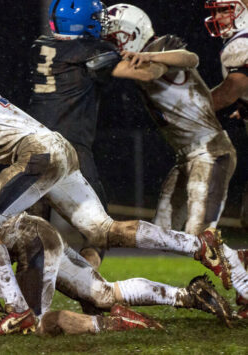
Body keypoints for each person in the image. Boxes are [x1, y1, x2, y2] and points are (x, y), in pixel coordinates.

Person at [0, 52, 246, 331]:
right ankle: (198, 245)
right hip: (57, 148)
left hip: (36, 154)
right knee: (103, 230)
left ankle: (17, 312)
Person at [0, 145, 233, 330]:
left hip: (31, 240)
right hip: (32, 242)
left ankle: (108, 324)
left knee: (35, 324)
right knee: (103, 293)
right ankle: (187, 296)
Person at [106, 2, 248, 320]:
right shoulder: (144, 55)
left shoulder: (161, 48)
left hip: (210, 153)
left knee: (201, 237)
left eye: (113, 39)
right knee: (164, 232)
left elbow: (184, 59)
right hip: (187, 158)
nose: (111, 46)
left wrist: (103, 65)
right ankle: (241, 259)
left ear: (128, 34)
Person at [28, 0, 120, 267]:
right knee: (99, 229)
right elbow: (143, 73)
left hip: (35, 145)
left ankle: (26, 297)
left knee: (32, 230)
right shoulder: (91, 50)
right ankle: (90, 287)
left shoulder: (40, 46)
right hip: (72, 148)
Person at [204, 0, 248, 318]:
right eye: (216, 10)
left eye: (225, 9)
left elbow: (233, 87)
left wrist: (191, 107)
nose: (218, 17)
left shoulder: (242, 43)